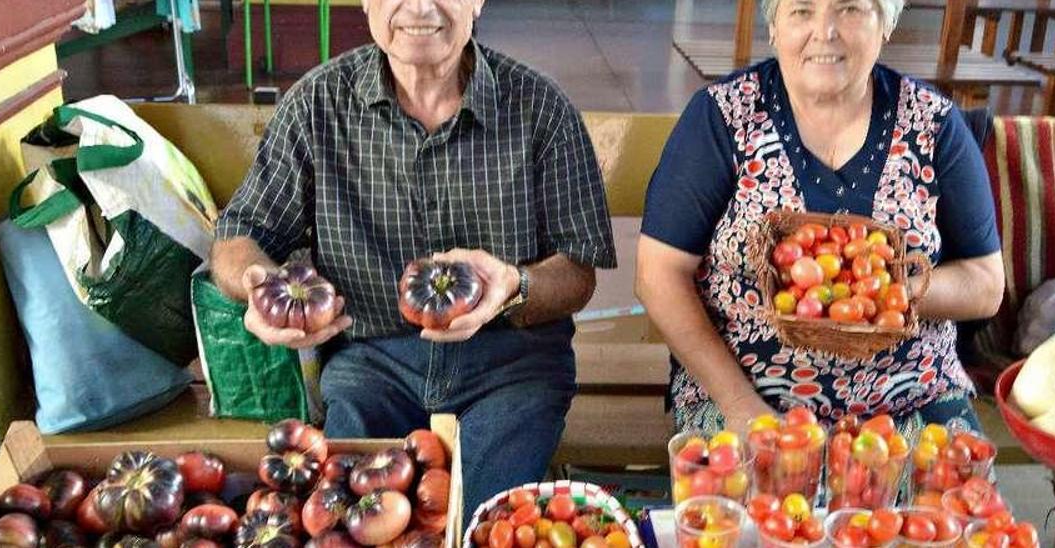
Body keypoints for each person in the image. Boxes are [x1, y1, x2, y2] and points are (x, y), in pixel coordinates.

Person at [210, 0, 616, 515]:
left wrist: (515, 285)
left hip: (513, 366)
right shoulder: (317, 104)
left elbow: (579, 273)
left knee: (483, 519)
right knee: (352, 515)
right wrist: (258, 286)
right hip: (371, 363)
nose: (420, 7)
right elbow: (239, 233)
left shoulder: (540, 108)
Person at [636, 0, 1004, 436]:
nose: (825, 31)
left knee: (956, 500)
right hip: (749, 393)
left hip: (912, 396)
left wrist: (884, 291)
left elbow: (985, 284)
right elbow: (658, 274)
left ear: (885, 25)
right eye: (801, 11)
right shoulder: (724, 117)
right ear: (773, 27)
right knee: (753, 501)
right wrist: (739, 404)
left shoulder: (934, 124)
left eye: (850, 9)